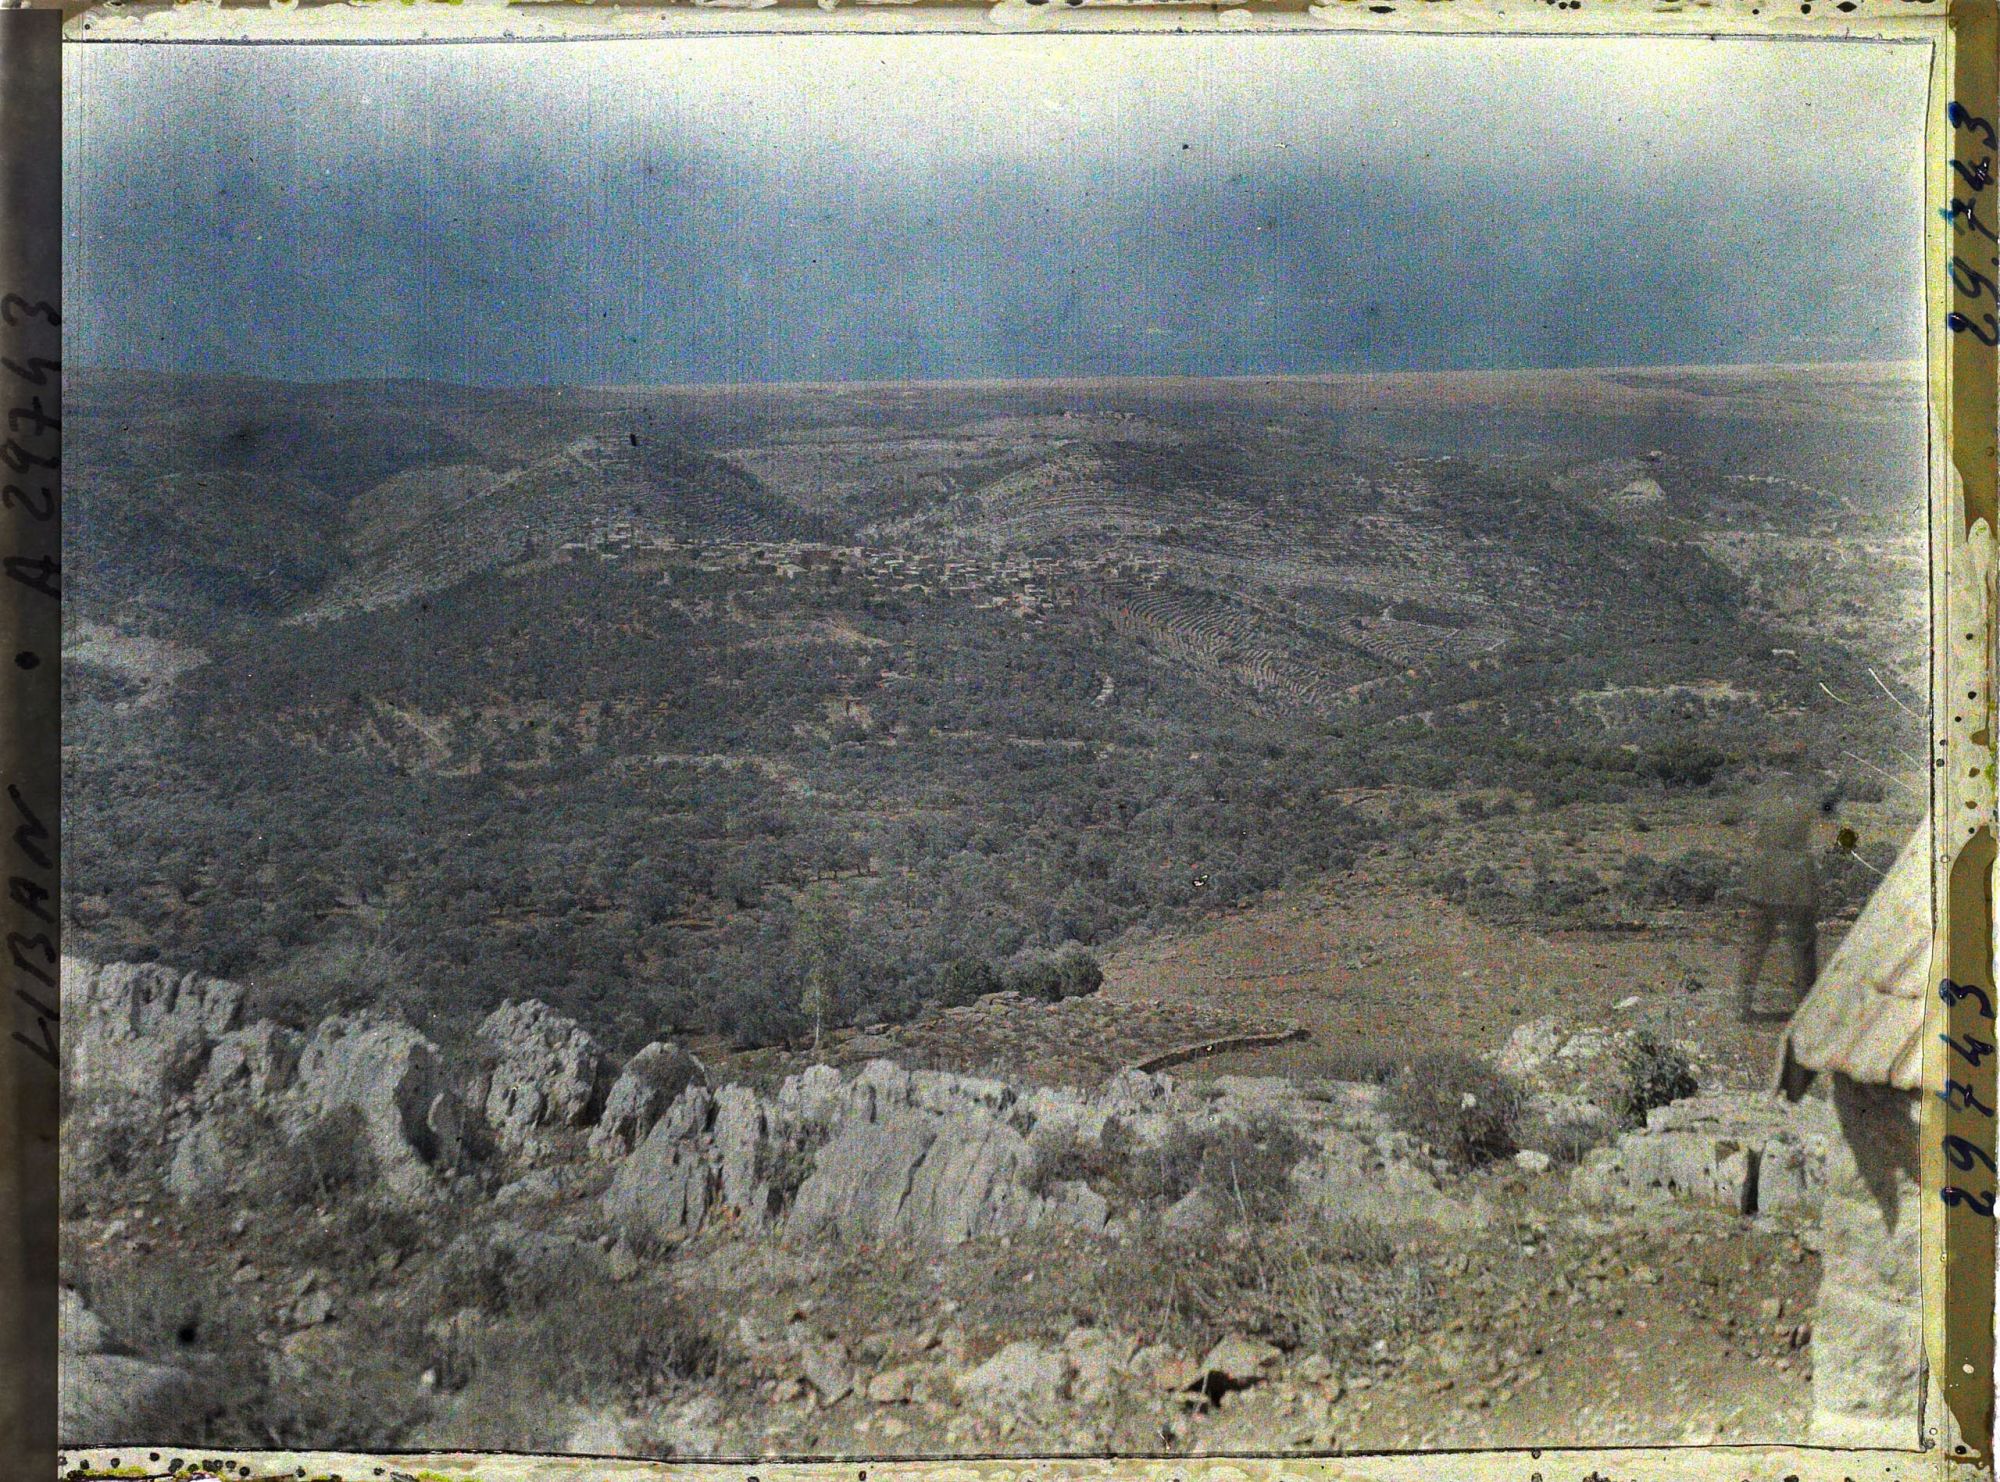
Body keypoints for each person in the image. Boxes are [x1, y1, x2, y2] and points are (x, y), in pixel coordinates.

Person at [1737, 783, 1828, 1022]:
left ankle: (1741, 1007)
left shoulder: (1762, 796)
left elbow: (1749, 832)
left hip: (1764, 879)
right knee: (1803, 949)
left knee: (1753, 946)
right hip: (1797, 883)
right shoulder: (1807, 795)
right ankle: (1807, 1012)